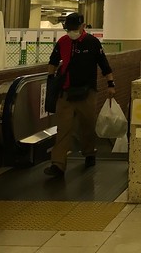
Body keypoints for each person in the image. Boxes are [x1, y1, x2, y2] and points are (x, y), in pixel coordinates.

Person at [44, 12, 115, 178]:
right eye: (69, 28)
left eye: (74, 28)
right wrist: (50, 81)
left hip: (87, 93)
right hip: (66, 93)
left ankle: (89, 153)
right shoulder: (62, 42)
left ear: (83, 26)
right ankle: (58, 164)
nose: (71, 31)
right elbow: (53, 62)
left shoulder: (92, 42)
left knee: (87, 125)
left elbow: (104, 65)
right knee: (63, 129)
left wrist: (111, 84)